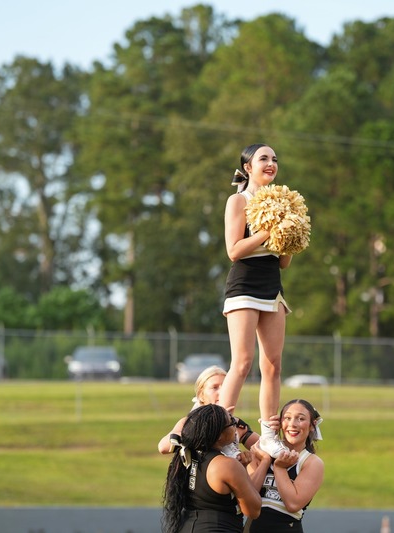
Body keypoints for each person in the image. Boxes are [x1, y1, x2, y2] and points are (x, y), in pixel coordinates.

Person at [220, 143, 293, 459]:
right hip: (244, 284)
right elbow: (234, 250)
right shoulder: (239, 200)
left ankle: (268, 435)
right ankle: (220, 434)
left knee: (273, 365)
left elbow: (283, 262)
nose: (271, 163)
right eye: (264, 158)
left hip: (272, 286)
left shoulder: (281, 202)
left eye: (275, 159)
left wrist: (289, 237)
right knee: (243, 362)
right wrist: (267, 232)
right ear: (248, 167)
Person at [162, 404, 262, 533]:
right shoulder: (226, 465)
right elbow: (253, 510)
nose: (235, 427)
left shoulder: (185, 454)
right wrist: (262, 462)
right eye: (231, 422)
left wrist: (242, 467)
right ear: (219, 435)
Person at [245, 399, 325, 533]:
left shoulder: (312, 462)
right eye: (287, 418)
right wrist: (265, 461)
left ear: (312, 425)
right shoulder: (263, 450)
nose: (293, 424)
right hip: (252, 527)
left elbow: (293, 504)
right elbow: (247, 497)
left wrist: (279, 468)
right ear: (280, 423)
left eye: (300, 419)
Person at [158, 365, 259, 457]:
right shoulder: (190, 422)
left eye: (225, 387)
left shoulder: (235, 423)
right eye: (215, 388)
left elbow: (262, 448)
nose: (222, 392)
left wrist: (270, 431)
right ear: (201, 395)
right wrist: (206, 428)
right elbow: (163, 447)